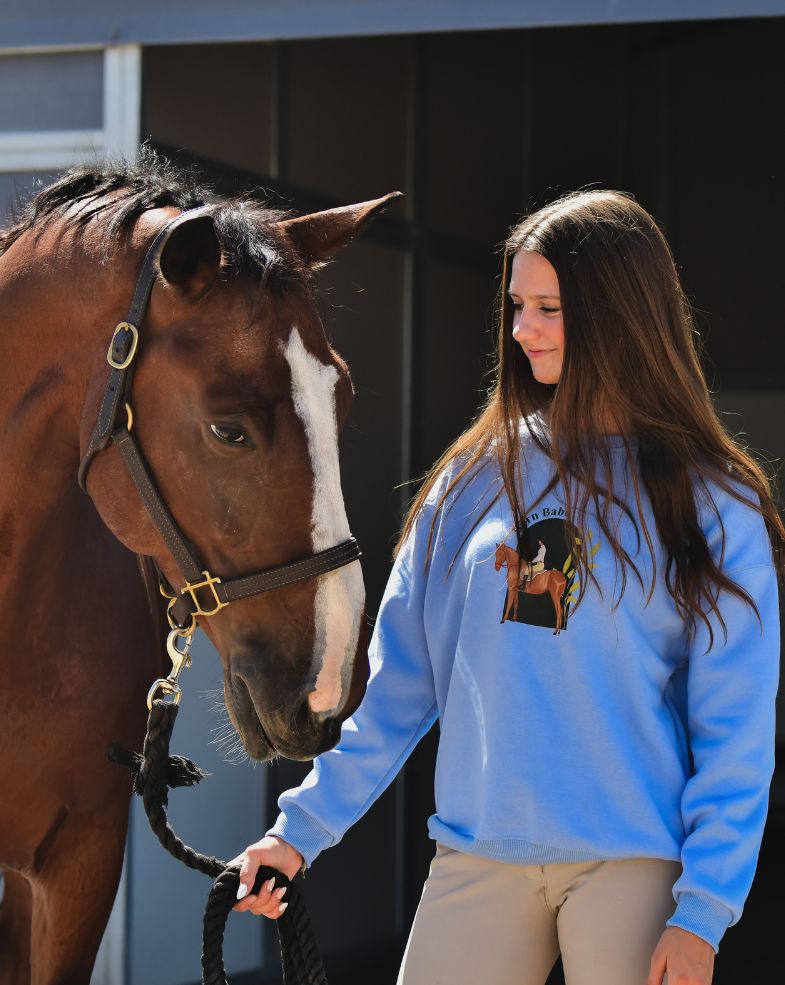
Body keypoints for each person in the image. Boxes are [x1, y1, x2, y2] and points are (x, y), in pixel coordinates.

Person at [232, 190, 784, 985]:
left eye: (548, 309)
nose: (522, 329)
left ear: (620, 314)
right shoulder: (469, 480)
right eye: (517, 306)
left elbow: (734, 729)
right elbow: (396, 687)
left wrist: (701, 910)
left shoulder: (710, 500)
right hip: (477, 852)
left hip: (632, 859)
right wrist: (298, 832)